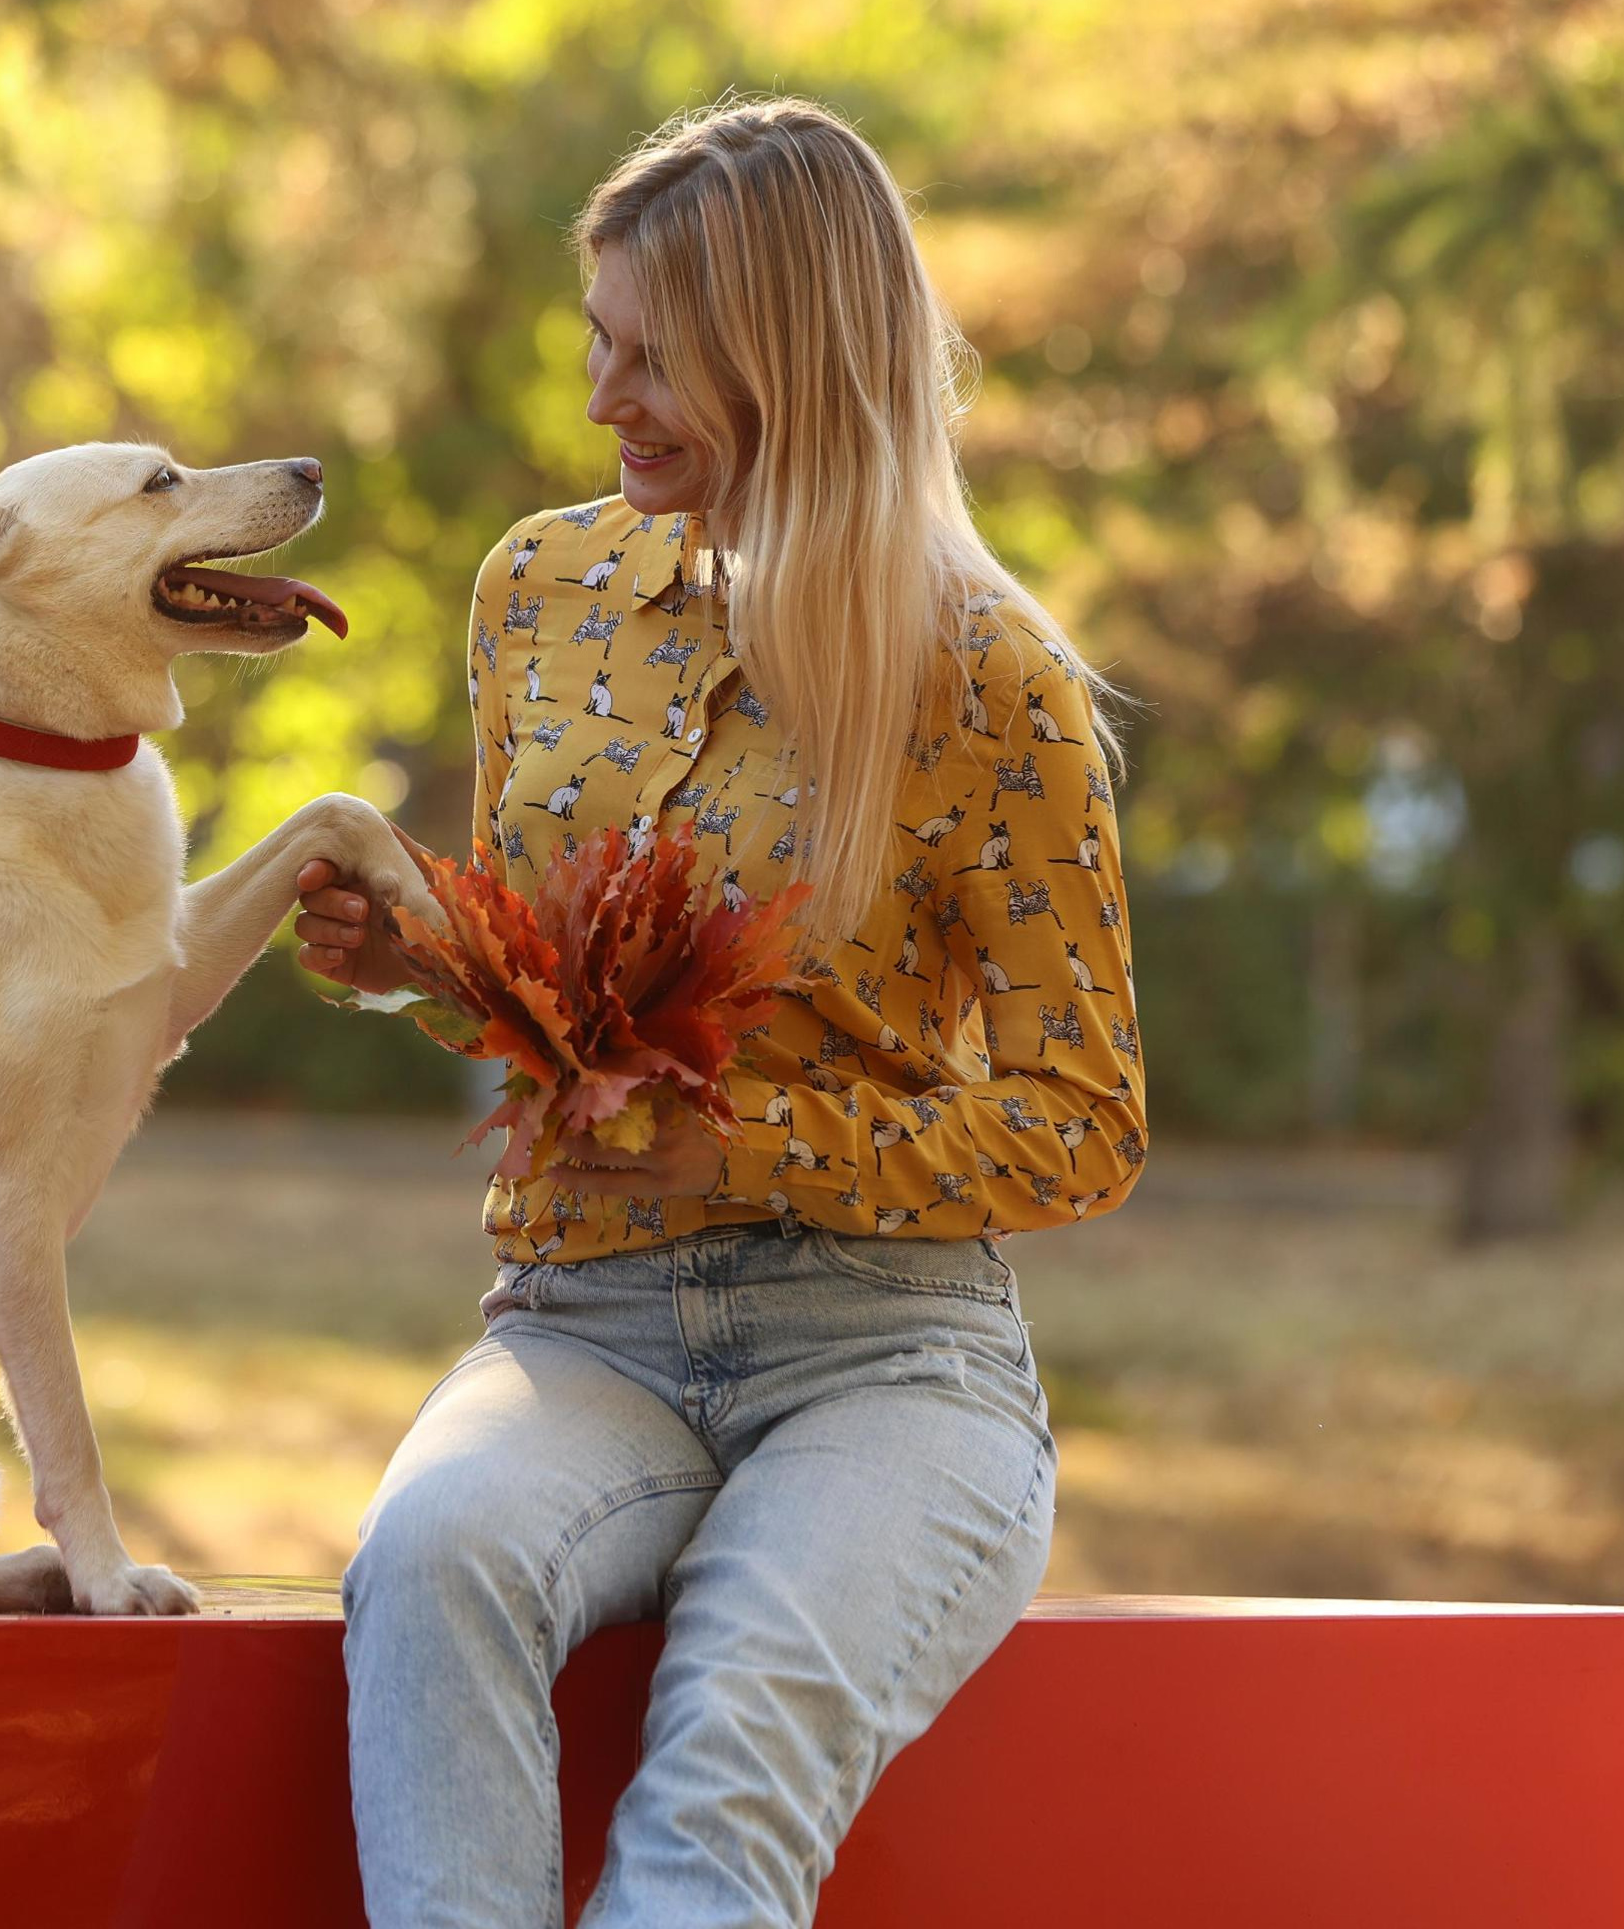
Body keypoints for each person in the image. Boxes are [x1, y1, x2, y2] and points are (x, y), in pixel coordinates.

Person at [293, 95, 1148, 1929]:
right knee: (429, 1561)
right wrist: (425, 957)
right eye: (598, 342)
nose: (604, 401)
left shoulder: (995, 682)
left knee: (728, 1761)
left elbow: (1084, 1121)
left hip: (888, 1361)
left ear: (791, 360)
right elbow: (562, 996)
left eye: (654, 357)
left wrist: (752, 1138)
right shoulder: (540, 593)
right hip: (581, 1328)